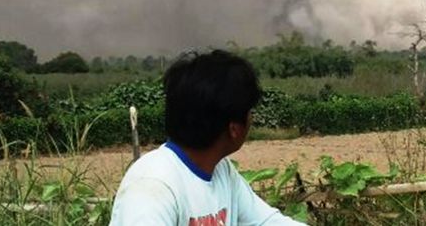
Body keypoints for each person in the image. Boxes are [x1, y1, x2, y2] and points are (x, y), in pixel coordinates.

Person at [109, 50, 305, 225]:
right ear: (234, 128)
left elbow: (266, 221)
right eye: (249, 111)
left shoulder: (222, 172)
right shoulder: (152, 186)